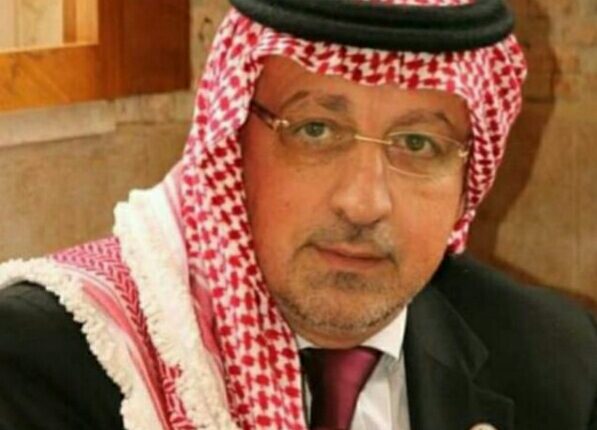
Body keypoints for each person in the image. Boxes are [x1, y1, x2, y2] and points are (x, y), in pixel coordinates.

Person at [0, 0, 595, 429]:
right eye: (316, 130)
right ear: (232, 142)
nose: (363, 202)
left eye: (418, 144)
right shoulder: (44, 358)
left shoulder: (559, 361)